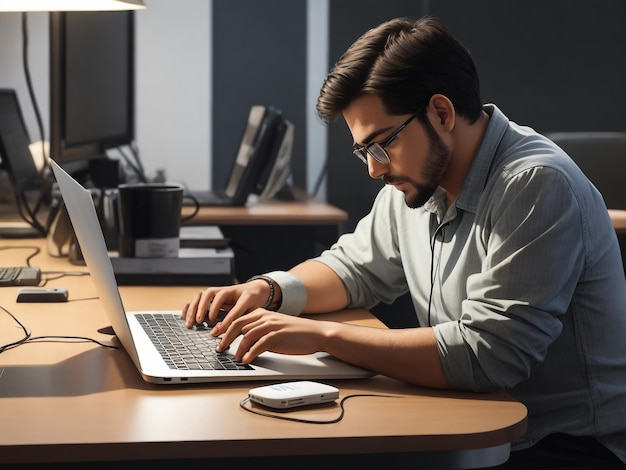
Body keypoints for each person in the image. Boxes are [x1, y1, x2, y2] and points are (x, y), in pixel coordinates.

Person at [182, 16, 626, 468]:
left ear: (441, 113)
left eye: (381, 145)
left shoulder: (535, 184)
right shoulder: (416, 183)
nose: (374, 169)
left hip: (561, 443)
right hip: (469, 421)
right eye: (363, 152)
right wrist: (269, 290)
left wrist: (324, 336)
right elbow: (352, 269)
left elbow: (489, 358)